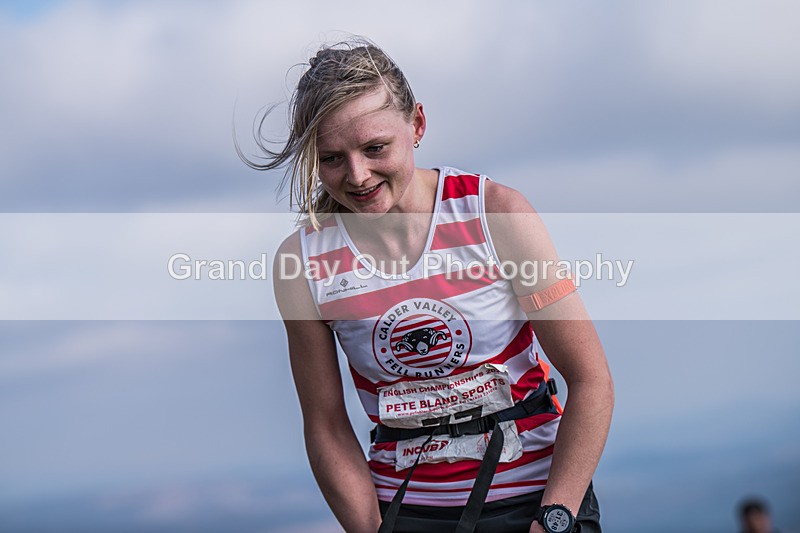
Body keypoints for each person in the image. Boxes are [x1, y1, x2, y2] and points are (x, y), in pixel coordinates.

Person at [245, 38, 614, 533]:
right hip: (407, 512)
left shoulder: (496, 214)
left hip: (538, 500)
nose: (357, 175)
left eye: (376, 148)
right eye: (332, 158)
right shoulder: (304, 261)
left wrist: (556, 517)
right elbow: (326, 424)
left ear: (417, 124)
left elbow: (591, 380)